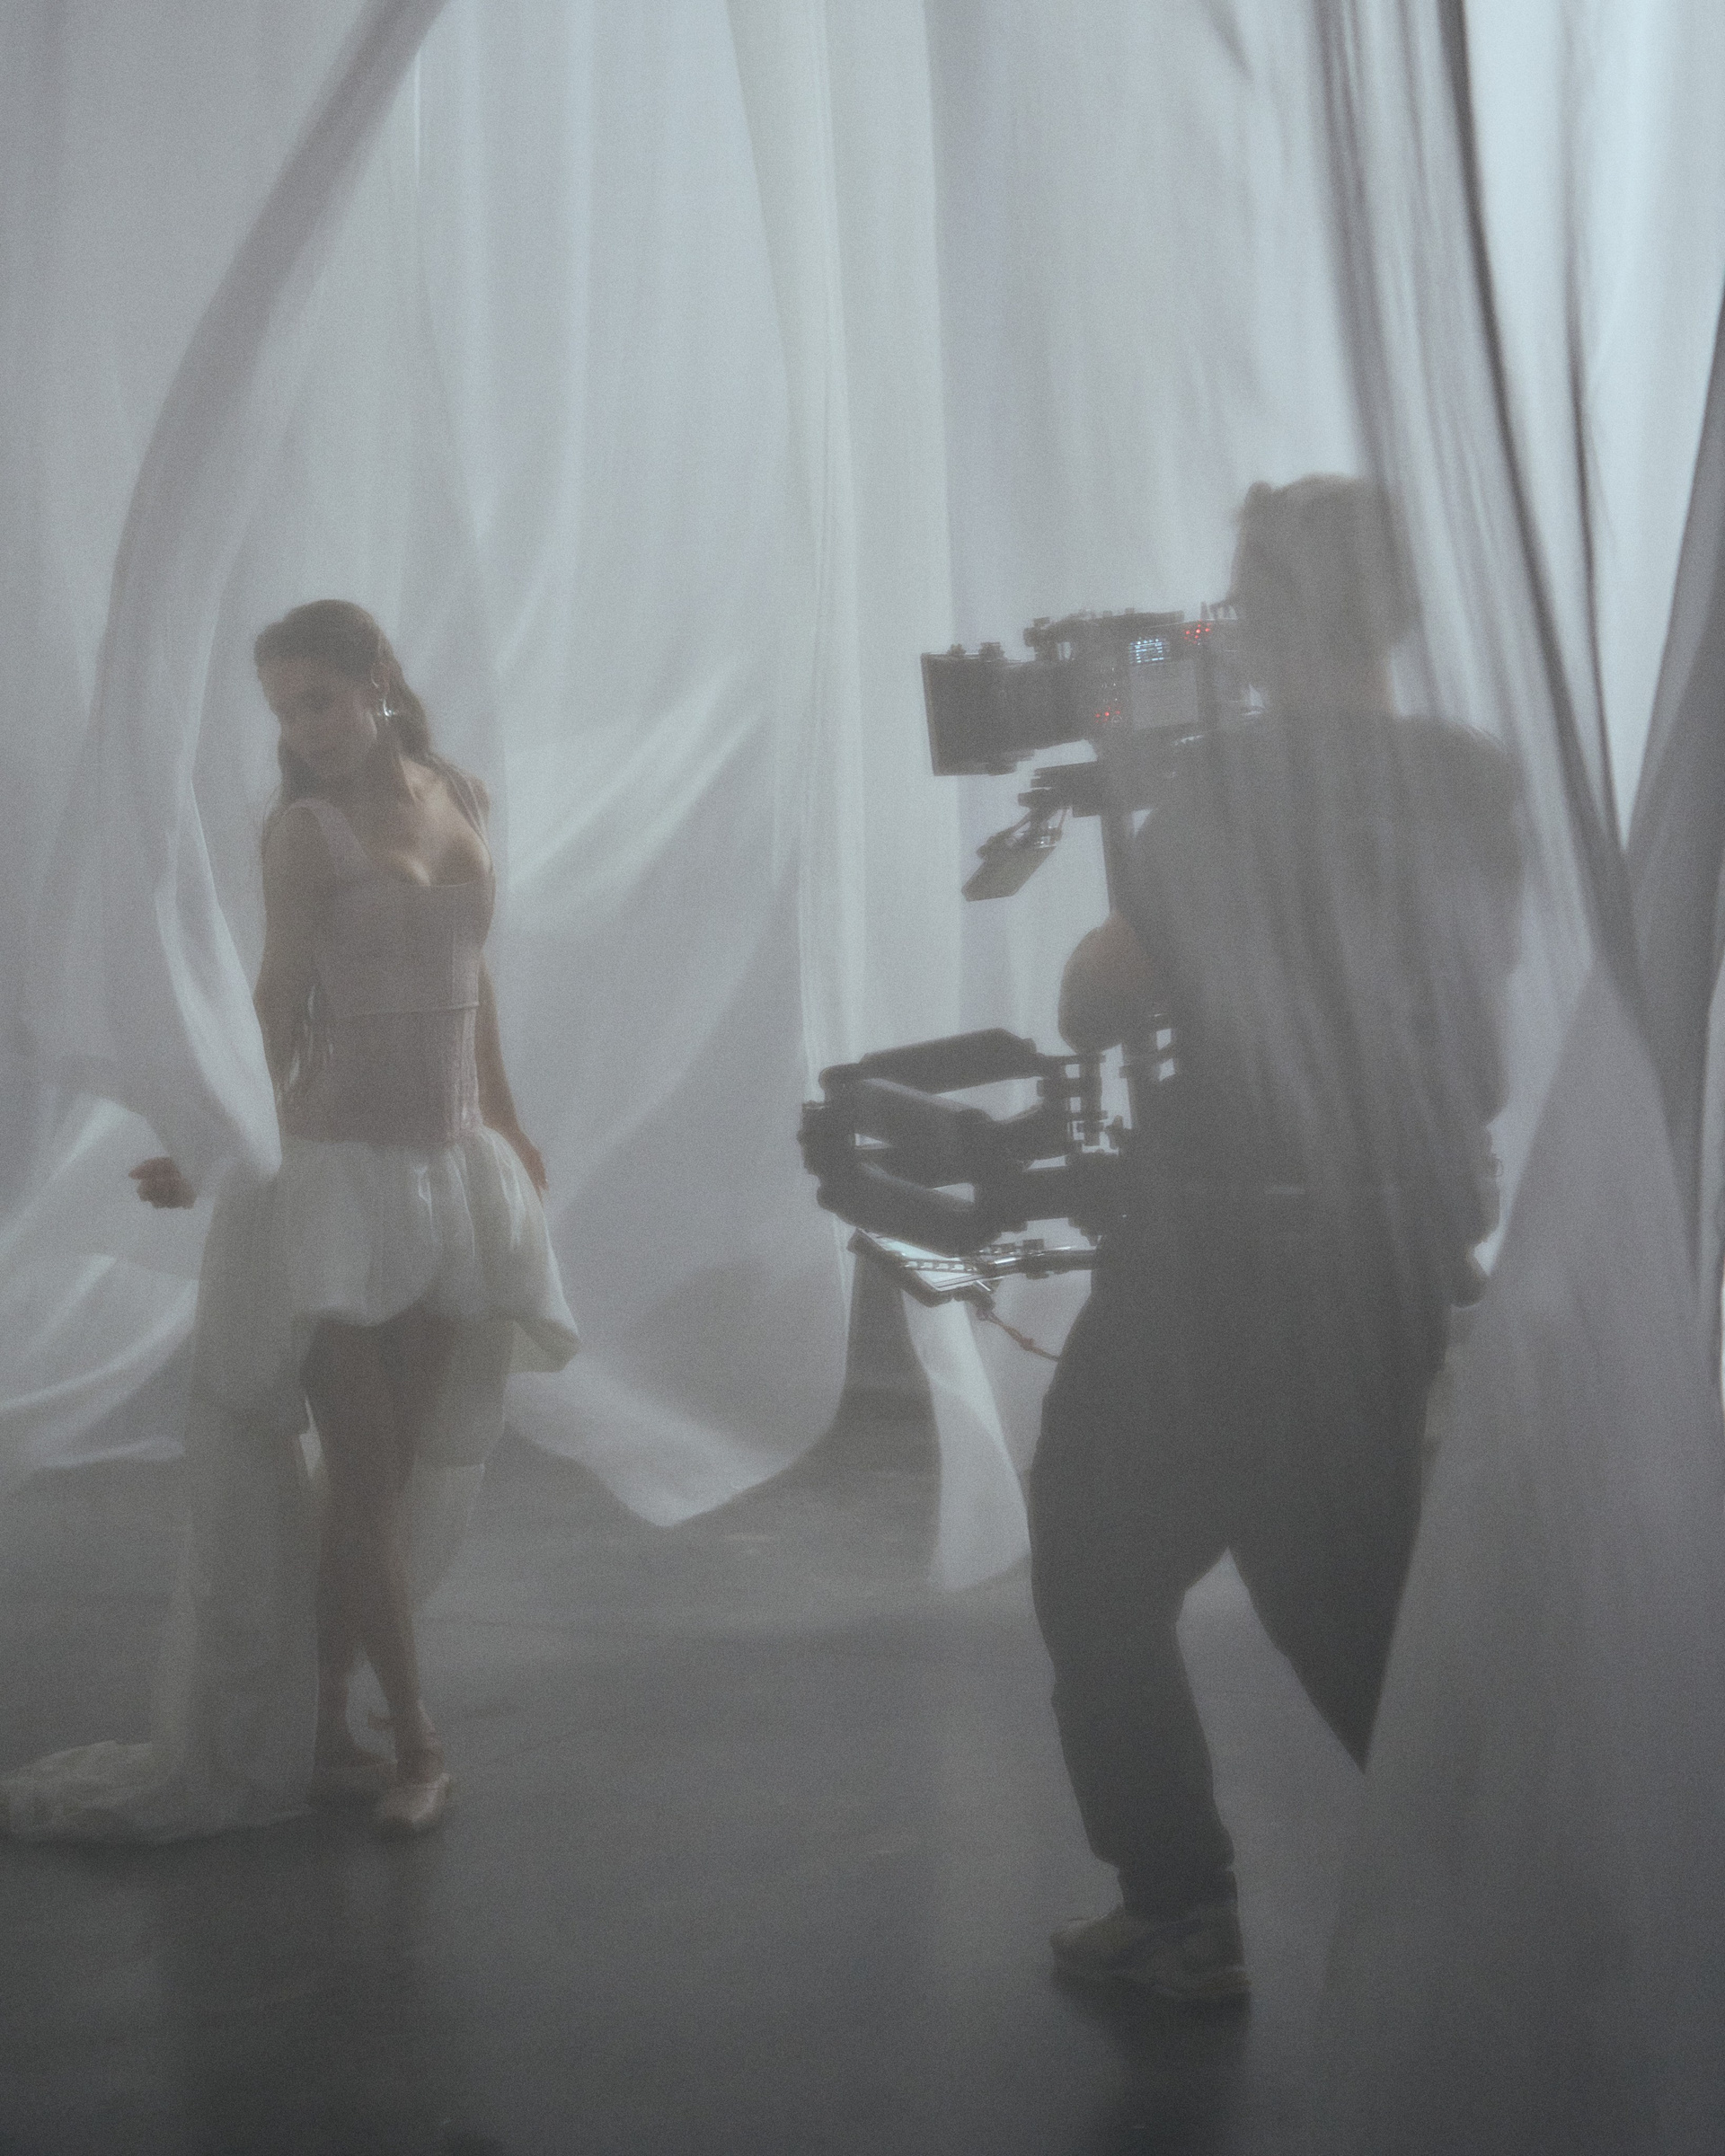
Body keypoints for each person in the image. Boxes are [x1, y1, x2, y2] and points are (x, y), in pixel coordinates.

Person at [1031, 477, 1521, 1999]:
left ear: (1258, 617)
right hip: (1396, 1241)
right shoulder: (1474, 780)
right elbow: (1472, 1030)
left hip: (1222, 1256)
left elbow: (1102, 1000)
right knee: (1357, 1604)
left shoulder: (1222, 791)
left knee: (1119, 1570)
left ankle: (1188, 1911)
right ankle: (1548, 1921)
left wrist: (1136, 847)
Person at [9, 600, 577, 1842]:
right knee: (365, 1480)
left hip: (452, 1172)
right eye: (284, 710)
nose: (304, 728)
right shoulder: (303, 834)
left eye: (319, 698)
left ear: (377, 678)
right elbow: (273, 1009)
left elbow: (474, 982)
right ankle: (418, 1741)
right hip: (331, 1182)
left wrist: (510, 1123)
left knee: (395, 1477)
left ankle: (324, 1723)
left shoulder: (463, 795)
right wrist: (209, 1150)